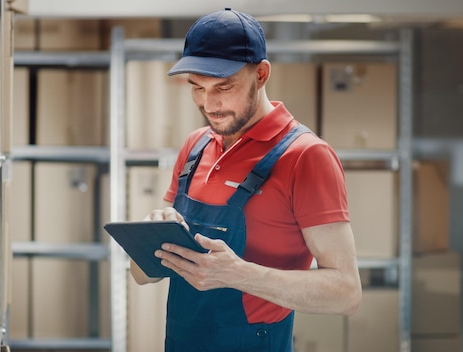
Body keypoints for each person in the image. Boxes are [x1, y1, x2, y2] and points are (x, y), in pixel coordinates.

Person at [129, 8, 362, 352]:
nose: (210, 104)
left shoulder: (306, 156)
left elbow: (346, 294)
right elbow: (141, 275)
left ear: (262, 74)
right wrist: (152, 237)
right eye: (197, 87)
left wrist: (238, 274)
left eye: (224, 87)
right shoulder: (196, 146)